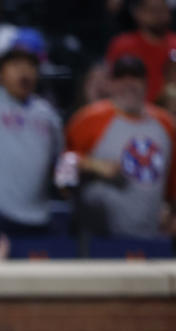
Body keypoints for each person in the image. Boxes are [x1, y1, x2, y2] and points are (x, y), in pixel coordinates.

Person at [0, 0, 63, 239]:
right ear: (0, 74)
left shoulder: (48, 113)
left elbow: (59, 164)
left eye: (31, 65)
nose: (24, 71)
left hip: (40, 216)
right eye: (16, 64)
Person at [60, 56, 176, 239]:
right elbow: (62, 175)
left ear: (146, 83)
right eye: (121, 77)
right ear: (111, 84)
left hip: (151, 240)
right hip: (98, 239)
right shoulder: (87, 119)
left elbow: (172, 185)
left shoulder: (167, 125)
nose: (129, 83)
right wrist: (91, 164)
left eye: (135, 77)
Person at [106, 0, 176, 102]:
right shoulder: (123, 45)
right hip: (130, 109)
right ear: (138, 13)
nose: (158, 15)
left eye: (162, 10)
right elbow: (110, 82)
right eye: (152, 10)